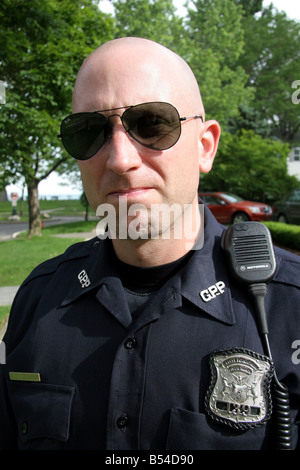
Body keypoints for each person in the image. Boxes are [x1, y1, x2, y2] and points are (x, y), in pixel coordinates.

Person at [0, 37, 299, 451]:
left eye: (153, 124)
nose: (120, 159)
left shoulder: (289, 306)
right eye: (90, 131)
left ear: (205, 146)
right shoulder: (38, 300)